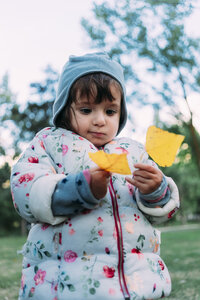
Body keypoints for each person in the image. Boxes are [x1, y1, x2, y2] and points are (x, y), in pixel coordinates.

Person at [10, 52, 180, 300]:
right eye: (87, 109)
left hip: (137, 283)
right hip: (67, 285)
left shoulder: (133, 152)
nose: (100, 120)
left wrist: (155, 190)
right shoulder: (50, 143)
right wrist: (80, 189)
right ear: (65, 109)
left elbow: (162, 212)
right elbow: (26, 190)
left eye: (110, 111)